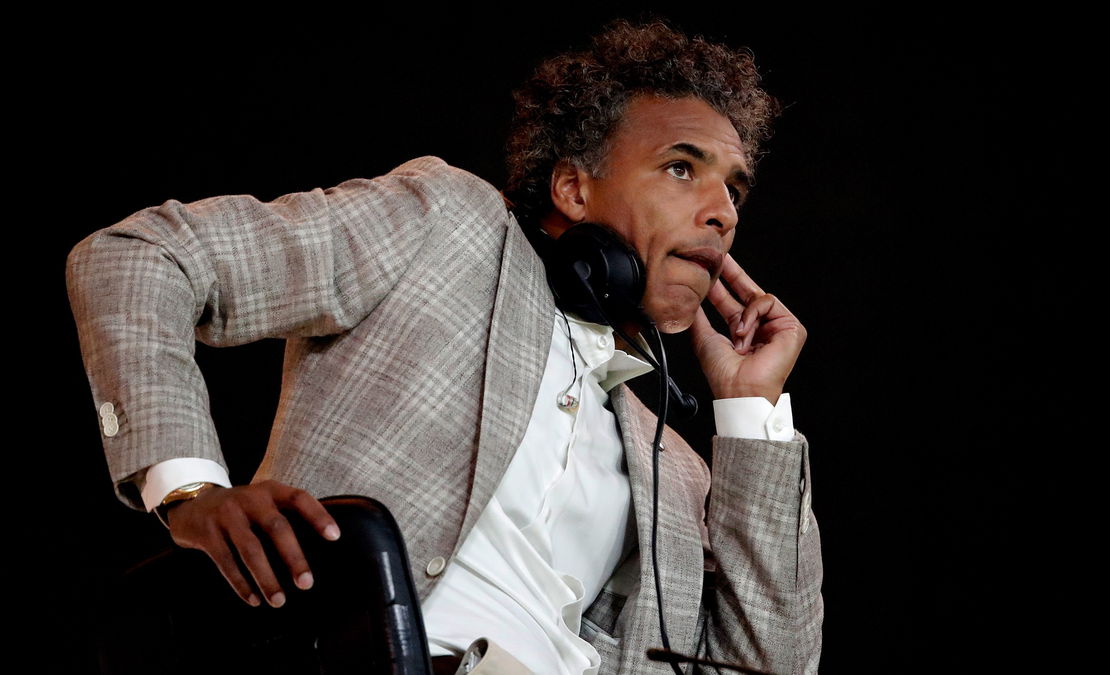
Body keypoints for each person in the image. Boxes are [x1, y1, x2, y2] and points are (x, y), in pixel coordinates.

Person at [67, 20, 823, 675]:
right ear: (573, 189)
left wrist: (749, 413)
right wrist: (188, 489)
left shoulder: (676, 471)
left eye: (735, 190)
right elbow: (139, 258)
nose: (723, 212)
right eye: (682, 168)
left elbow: (770, 662)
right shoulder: (449, 227)